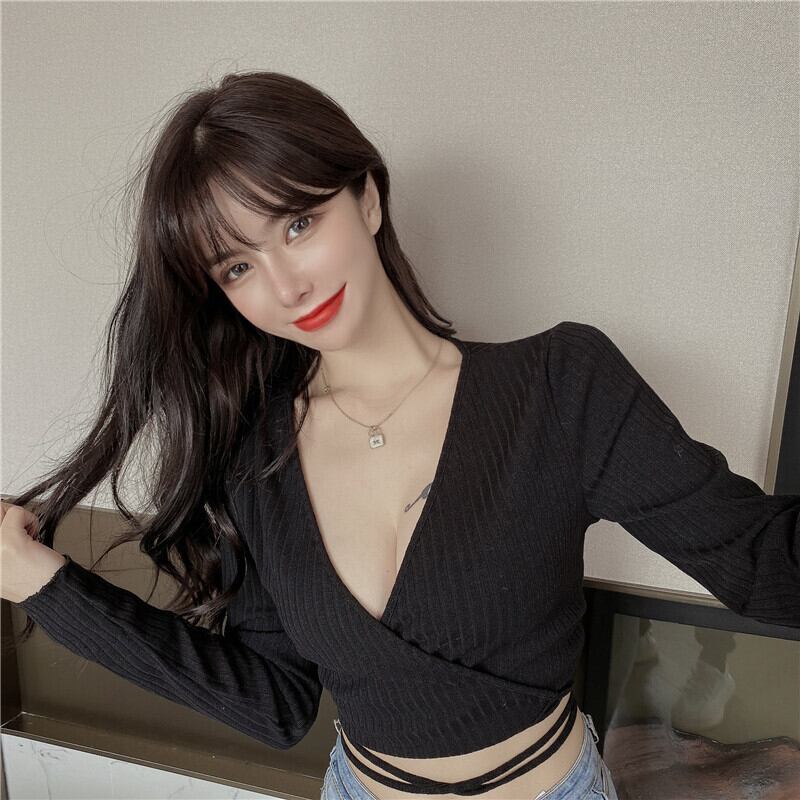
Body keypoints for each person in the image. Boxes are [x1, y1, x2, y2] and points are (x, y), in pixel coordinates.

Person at [1, 71, 797, 800]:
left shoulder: (558, 389)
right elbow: (276, 703)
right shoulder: (252, 456)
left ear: (369, 199)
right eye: (237, 267)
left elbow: (767, 568)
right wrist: (48, 586)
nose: (287, 285)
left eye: (298, 224)